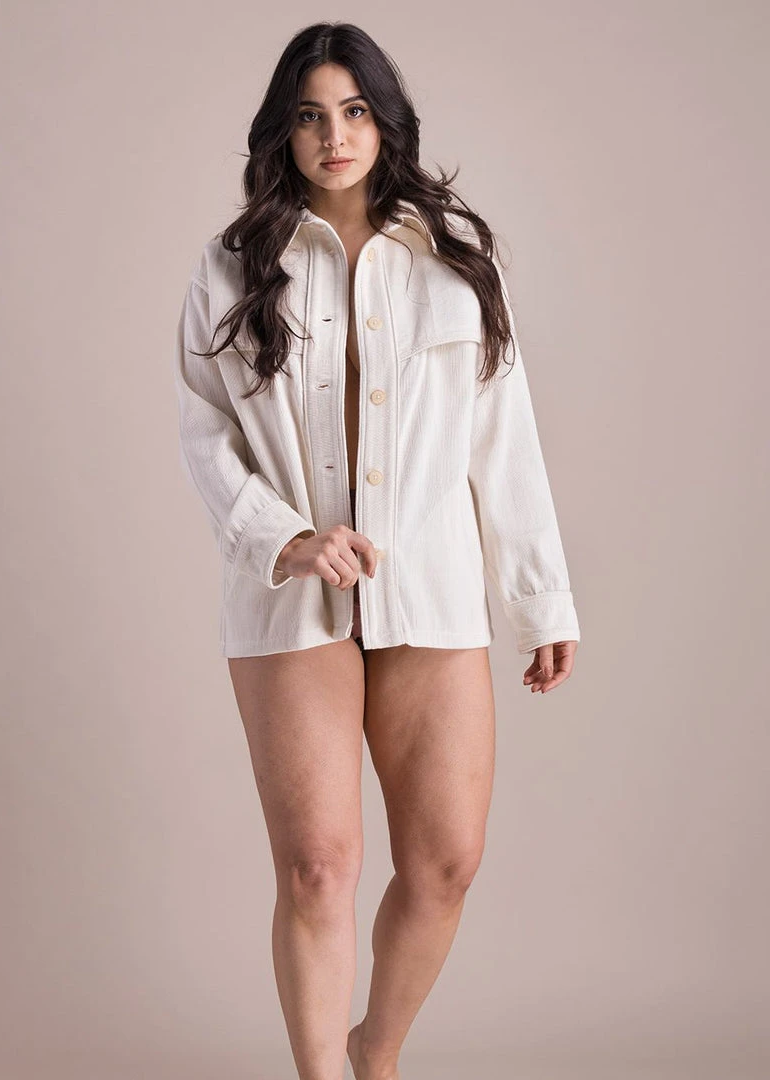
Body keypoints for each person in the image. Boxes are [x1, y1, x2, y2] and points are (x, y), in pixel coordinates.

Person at [174, 21, 581, 1080]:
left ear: (385, 122)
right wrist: (286, 539)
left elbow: (505, 439)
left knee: (445, 862)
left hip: (429, 590)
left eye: (354, 111)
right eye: (311, 116)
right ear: (284, 131)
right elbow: (204, 432)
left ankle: (375, 1051)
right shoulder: (231, 268)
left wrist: (541, 602)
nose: (335, 136)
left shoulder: (457, 264)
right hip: (291, 599)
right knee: (317, 868)